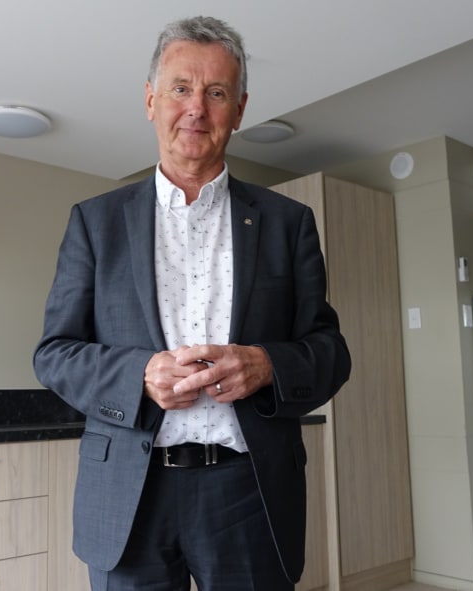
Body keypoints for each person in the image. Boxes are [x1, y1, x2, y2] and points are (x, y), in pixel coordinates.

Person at [33, 15, 351, 591]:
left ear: (240, 108)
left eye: (217, 92)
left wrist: (268, 365)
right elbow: (55, 353)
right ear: (151, 100)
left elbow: (329, 351)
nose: (196, 109)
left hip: (249, 492)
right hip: (130, 493)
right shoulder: (94, 223)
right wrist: (138, 374)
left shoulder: (288, 223)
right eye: (180, 88)